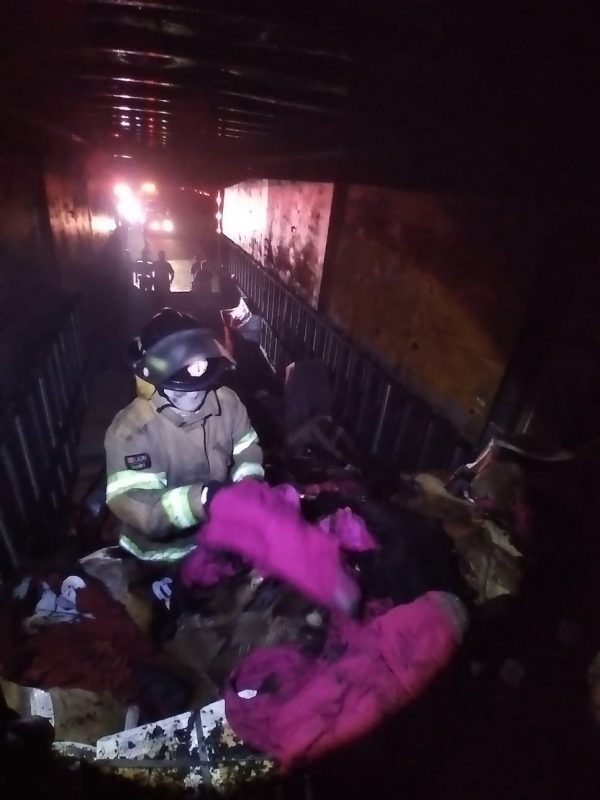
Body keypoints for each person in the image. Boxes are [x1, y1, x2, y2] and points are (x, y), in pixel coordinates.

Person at [104, 308, 264, 561]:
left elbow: (247, 447)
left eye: (200, 385)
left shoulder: (227, 403)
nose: (194, 395)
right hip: (156, 558)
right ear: (153, 376)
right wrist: (204, 500)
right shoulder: (131, 430)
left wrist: (249, 484)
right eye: (180, 390)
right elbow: (143, 507)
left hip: (217, 543)